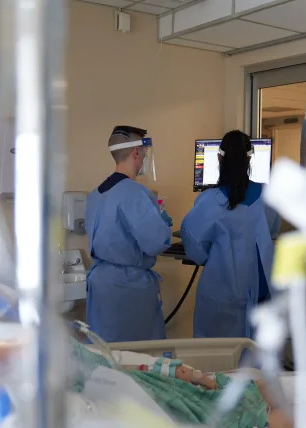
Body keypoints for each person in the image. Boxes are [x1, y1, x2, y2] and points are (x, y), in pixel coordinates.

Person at [181, 130, 279, 339]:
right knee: (257, 360)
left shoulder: (210, 200)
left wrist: (215, 255)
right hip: (261, 291)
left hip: (221, 294)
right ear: (250, 157)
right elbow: (273, 231)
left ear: (219, 158)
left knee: (218, 359)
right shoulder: (268, 196)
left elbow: (194, 245)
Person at [84, 125, 172, 343]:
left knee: (105, 353)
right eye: (143, 153)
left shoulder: (96, 194)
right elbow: (156, 242)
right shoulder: (135, 193)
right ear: (136, 153)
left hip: (102, 284)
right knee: (138, 358)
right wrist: (162, 224)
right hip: (128, 289)